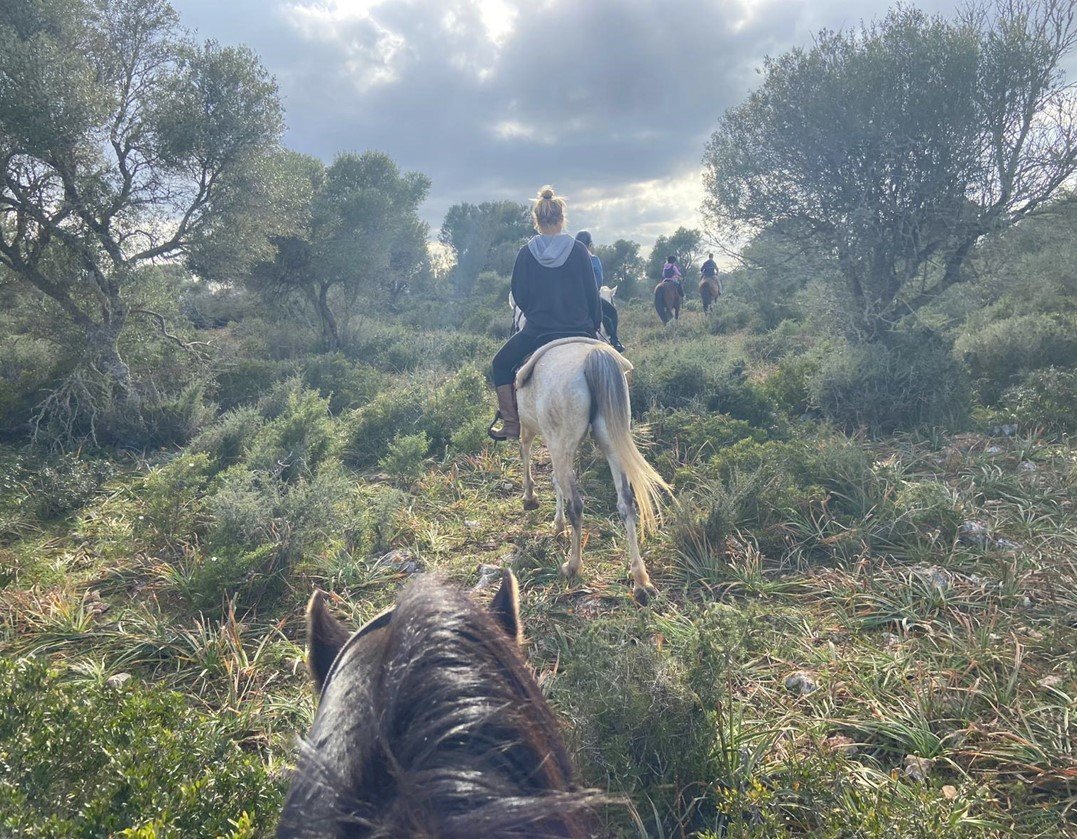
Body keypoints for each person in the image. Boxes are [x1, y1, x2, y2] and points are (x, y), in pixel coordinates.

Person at [488, 186, 601, 441]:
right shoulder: (580, 251)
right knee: (617, 364)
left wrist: (537, 314)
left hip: (538, 332)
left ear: (536, 220)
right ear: (562, 219)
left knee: (501, 364)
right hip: (580, 329)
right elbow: (592, 294)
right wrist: (592, 326)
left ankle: (511, 424)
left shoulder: (526, 253)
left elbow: (519, 295)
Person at [576, 230, 625, 353]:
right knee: (611, 313)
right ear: (590, 244)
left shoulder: (570, 259)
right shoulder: (593, 260)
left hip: (571, 299)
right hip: (590, 298)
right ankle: (614, 340)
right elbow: (598, 281)